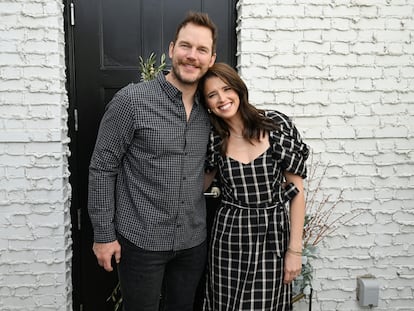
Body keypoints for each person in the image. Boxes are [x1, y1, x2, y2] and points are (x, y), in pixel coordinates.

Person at [87, 12, 217, 311]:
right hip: (141, 241)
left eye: (201, 50)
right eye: (186, 46)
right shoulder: (132, 101)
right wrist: (104, 236)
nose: (191, 56)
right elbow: (103, 168)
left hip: (192, 242)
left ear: (211, 59)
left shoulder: (209, 111)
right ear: (171, 49)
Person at [199, 63, 310, 311]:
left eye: (226, 89)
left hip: (272, 236)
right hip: (229, 237)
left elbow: (297, 193)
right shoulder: (213, 138)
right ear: (206, 103)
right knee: (224, 304)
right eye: (212, 94)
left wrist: (295, 251)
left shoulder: (275, 125)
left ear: (238, 89)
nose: (222, 99)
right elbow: (198, 186)